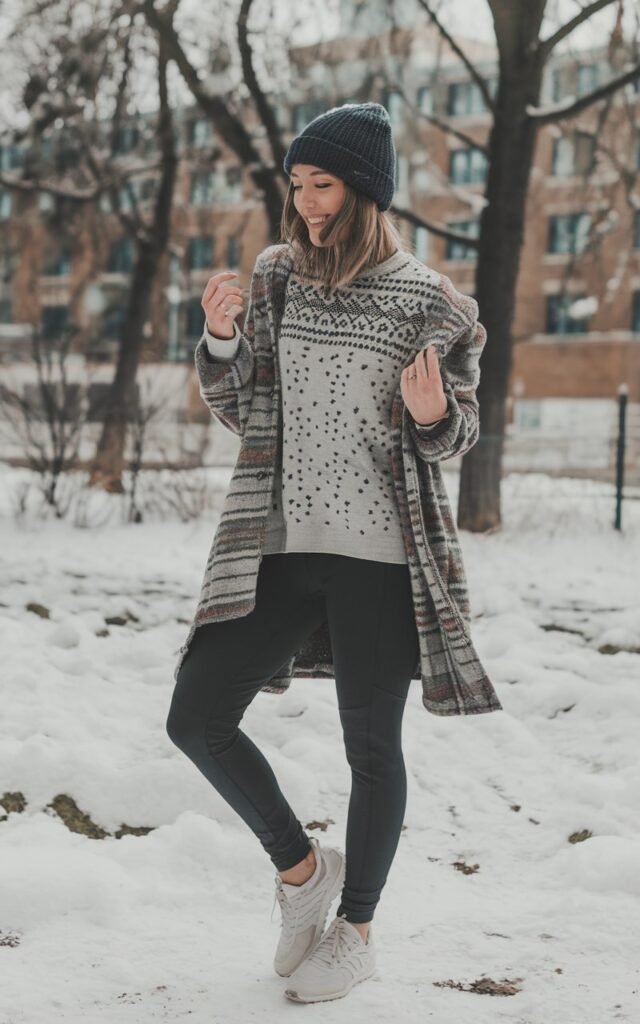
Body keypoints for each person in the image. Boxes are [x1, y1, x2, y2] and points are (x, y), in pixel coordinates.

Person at [166, 102, 502, 1005]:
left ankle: (355, 929)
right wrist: (225, 339)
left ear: (367, 193)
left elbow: (455, 434)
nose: (309, 204)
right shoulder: (277, 278)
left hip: (382, 560)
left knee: (370, 745)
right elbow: (246, 410)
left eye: (325, 186)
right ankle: (300, 870)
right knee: (196, 714)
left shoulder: (429, 302)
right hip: (280, 546)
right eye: (300, 186)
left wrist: (435, 417)